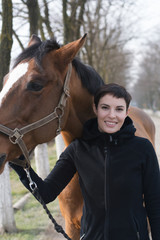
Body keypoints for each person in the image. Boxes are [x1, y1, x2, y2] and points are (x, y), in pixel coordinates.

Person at [10, 83, 160, 240]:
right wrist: (19, 163)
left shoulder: (142, 149)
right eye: (105, 107)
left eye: (119, 109)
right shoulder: (78, 149)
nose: (111, 115)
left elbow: (155, 202)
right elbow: (46, 193)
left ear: (126, 112)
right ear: (95, 109)